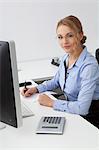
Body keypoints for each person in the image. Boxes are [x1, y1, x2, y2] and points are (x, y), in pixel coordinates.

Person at [21, 15, 99, 128]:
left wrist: (51, 103)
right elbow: (56, 81)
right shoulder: (65, 58)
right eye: (60, 37)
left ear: (80, 35)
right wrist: (36, 88)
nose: (64, 42)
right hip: (71, 110)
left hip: (89, 118)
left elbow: (82, 108)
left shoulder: (89, 66)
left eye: (70, 36)